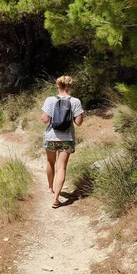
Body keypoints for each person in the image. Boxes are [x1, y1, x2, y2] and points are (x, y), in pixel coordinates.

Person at [41, 75, 84, 208]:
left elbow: (44, 119)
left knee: (50, 162)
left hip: (51, 137)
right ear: (69, 87)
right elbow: (79, 122)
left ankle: (49, 187)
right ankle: (56, 199)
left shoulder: (49, 100)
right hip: (67, 138)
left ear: (57, 86)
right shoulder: (75, 101)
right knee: (62, 167)